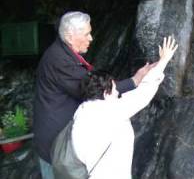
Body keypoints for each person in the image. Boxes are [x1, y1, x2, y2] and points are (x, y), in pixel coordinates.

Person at [33, 11, 151, 179]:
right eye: (87, 34)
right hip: (56, 144)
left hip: (59, 138)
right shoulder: (59, 61)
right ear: (70, 36)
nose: (91, 38)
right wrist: (136, 80)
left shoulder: (63, 52)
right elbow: (95, 88)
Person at [51, 36, 178, 179]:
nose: (118, 92)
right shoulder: (110, 113)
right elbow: (143, 93)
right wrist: (164, 60)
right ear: (106, 93)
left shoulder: (82, 112)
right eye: (115, 89)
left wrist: (138, 76)